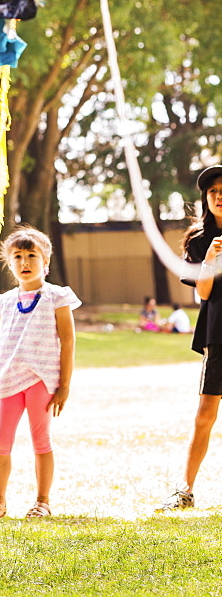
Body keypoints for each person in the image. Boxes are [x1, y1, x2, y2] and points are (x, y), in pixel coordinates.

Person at [0, 226, 81, 519]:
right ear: (9, 263)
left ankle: (42, 501)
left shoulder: (57, 297)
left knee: (41, 440)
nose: (25, 262)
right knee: (1, 441)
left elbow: (68, 340)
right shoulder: (3, 301)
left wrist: (64, 385)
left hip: (42, 379)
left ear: (45, 263)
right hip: (8, 381)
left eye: (31, 256)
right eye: (18, 256)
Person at [157, 165, 222, 512]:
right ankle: (185, 490)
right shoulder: (199, 241)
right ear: (205, 198)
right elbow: (204, 293)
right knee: (205, 414)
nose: (219, 196)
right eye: (213, 191)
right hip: (219, 334)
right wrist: (211, 258)